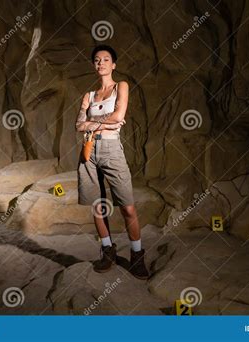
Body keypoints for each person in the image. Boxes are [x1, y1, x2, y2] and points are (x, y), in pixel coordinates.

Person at [75, 45, 149, 280]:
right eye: (97, 60)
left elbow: (119, 116)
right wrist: (103, 123)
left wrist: (94, 122)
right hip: (88, 150)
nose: (101, 63)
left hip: (111, 149)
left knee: (127, 206)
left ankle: (137, 255)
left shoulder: (122, 86)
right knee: (97, 204)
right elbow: (78, 125)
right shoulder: (88, 96)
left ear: (113, 64)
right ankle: (108, 250)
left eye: (106, 59)